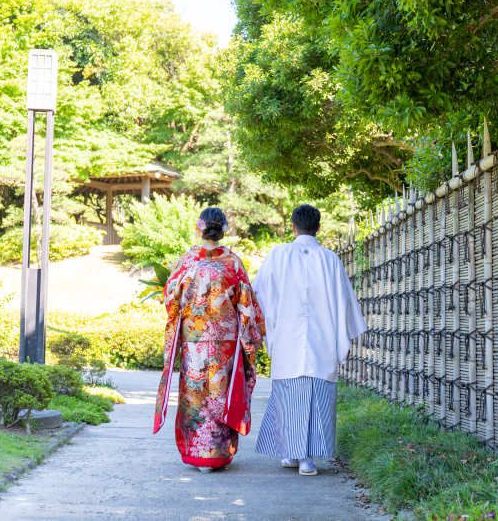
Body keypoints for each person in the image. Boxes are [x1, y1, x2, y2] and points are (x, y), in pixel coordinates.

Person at [252, 204, 366, 476]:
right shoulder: (330, 259)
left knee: (290, 395)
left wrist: (265, 329)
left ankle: (292, 455)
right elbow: (345, 302)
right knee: (316, 398)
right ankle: (306, 460)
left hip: (286, 339)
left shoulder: (277, 255)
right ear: (318, 227)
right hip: (322, 340)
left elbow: (257, 294)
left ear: (293, 226)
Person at [153, 207, 265, 472]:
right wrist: (250, 338)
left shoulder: (185, 263)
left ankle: (197, 452)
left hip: (194, 342)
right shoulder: (233, 263)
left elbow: (171, 301)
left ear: (198, 227)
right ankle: (218, 452)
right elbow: (247, 306)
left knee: (195, 397)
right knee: (219, 396)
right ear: (225, 228)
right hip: (225, 344)